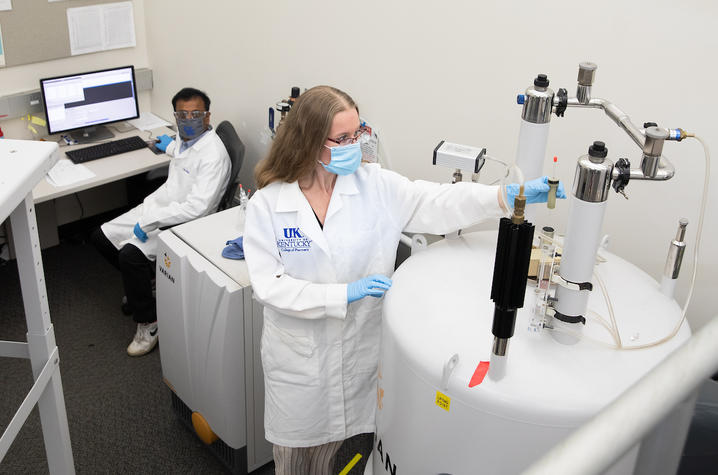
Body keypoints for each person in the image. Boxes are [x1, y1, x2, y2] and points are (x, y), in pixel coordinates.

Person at [243, 85, 565, 474]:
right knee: (298, 465)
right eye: (342, 138)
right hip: (301, 366)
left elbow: (437, 202)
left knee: (357, 452)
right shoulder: (270, 205)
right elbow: (270, 285)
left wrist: (502, 196)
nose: (355, 145)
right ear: (309, 140)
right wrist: (343, 294)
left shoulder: (375, 186)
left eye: (358, 133)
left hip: (361, 353)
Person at [91, 87, 231, 356]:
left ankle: (149, 321)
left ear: (207, 116)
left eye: (195, 114)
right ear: (175, 116)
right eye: (182, 114)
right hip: (160, 207)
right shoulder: (185, 140)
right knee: (100, 236)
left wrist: (150, 221)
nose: (188, 119)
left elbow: (198, 208)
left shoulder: (212, 155)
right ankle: (147, 284)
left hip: (185, 222)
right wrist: (168, 146)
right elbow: (181, 159)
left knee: (130, 256)